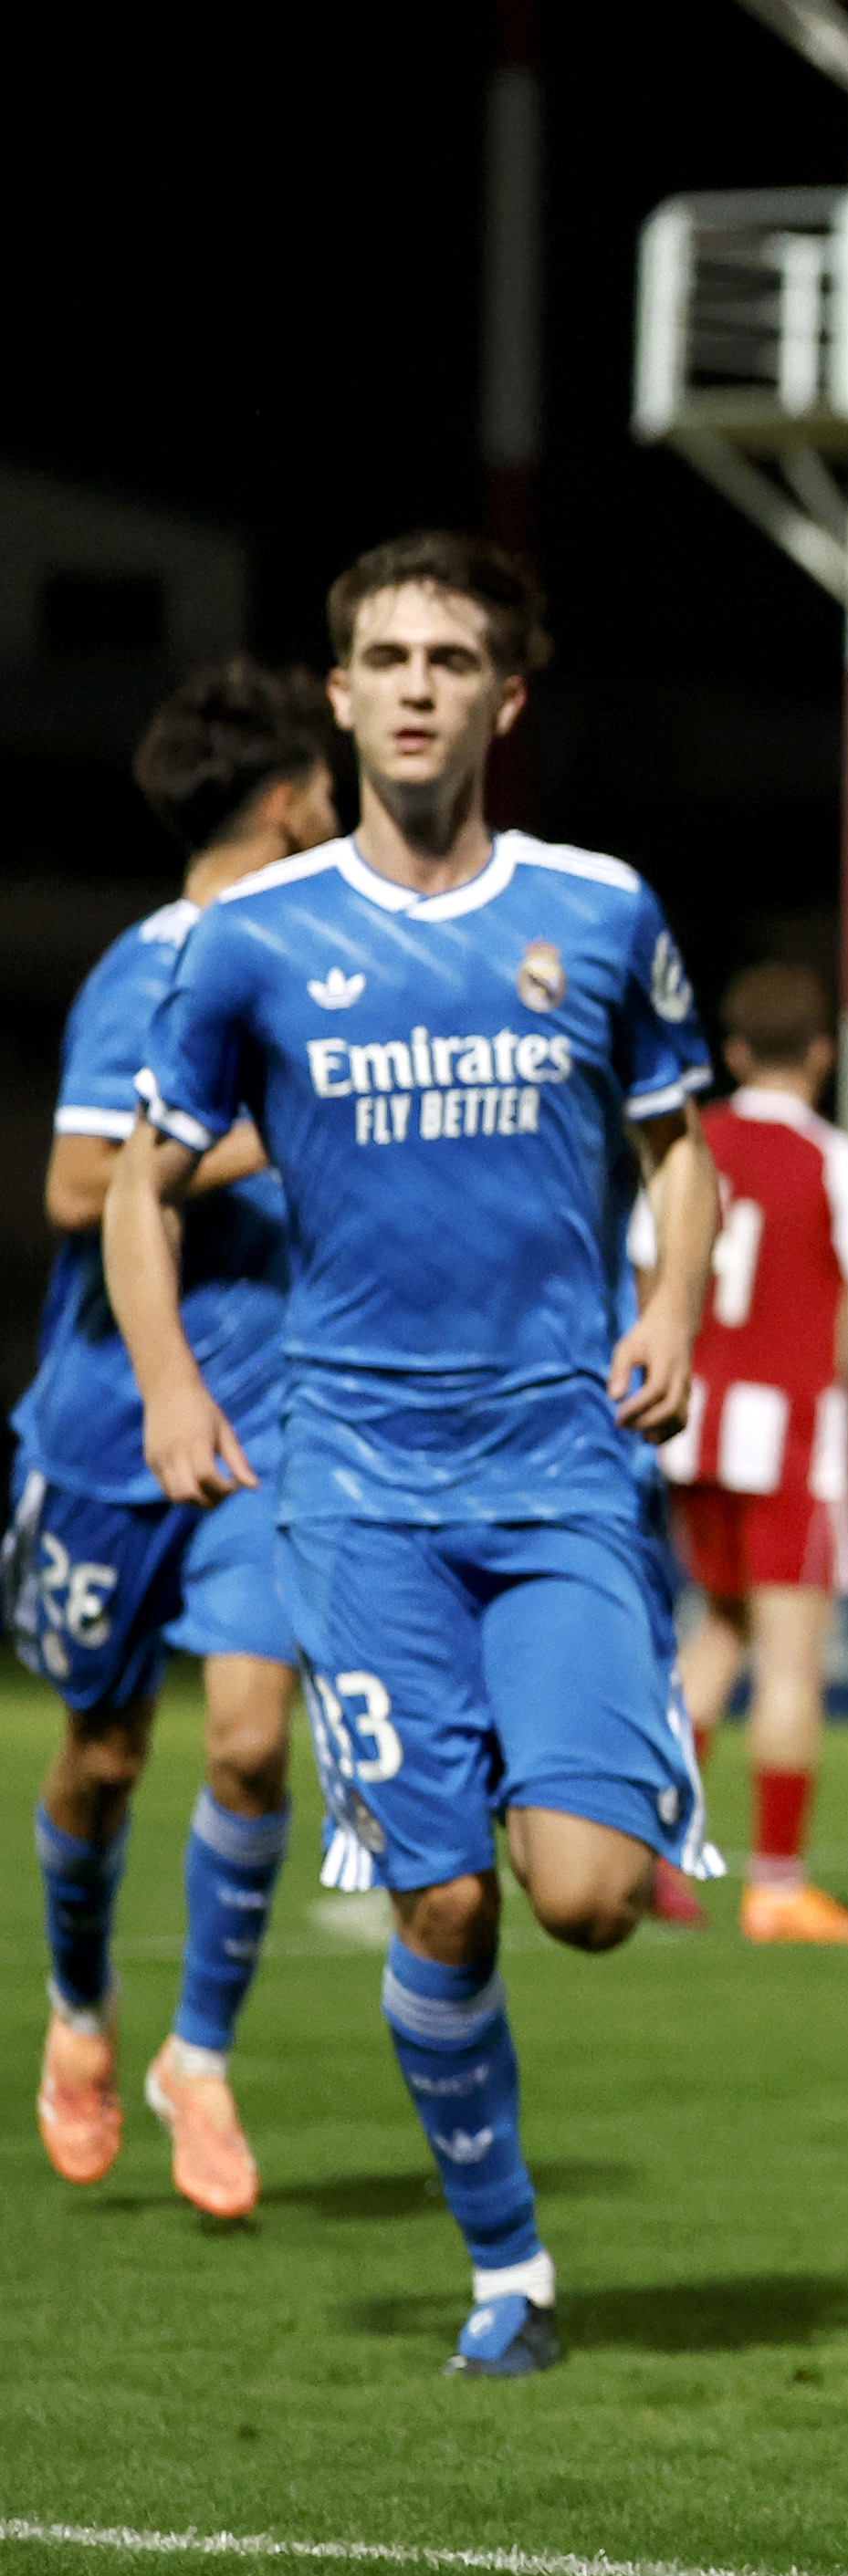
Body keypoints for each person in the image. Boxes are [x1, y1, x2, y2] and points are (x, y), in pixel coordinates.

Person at [111, 532, 722, 2376]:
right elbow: (139, 1187)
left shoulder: (601, 910)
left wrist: (673, 1308)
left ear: (503, 697)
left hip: (555, 1468)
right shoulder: (253, 939)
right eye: (383, 656)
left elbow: (680, 1144)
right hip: (358, 1483)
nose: (413, 685)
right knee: (442, 1894)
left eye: (451, 658)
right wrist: (166, 1385)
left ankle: (617, 1756)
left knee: (592, 1902)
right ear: (341, 694)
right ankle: (509, 2267)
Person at [17, 661, 331, 2216]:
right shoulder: (155, 963)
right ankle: (81, 2012)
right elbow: (81, 1189)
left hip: (272, 1426)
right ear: (287, 801)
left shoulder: (324, 958)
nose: (340, 810)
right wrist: (264, 1138)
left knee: (254, 1738)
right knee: (104, 1754)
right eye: (325, 788)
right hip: (106, 1431)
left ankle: (197, 2059)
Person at [657, 962, 848, 1944]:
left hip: (696, 1430)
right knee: (793, 1657)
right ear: (821, 1054)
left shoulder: (690, 1147)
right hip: (789, 1438)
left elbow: (650, 1280)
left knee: (717, 1632)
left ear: (731, 1053)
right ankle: (776, 1883)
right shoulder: (834, 1163)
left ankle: (649, 1848)